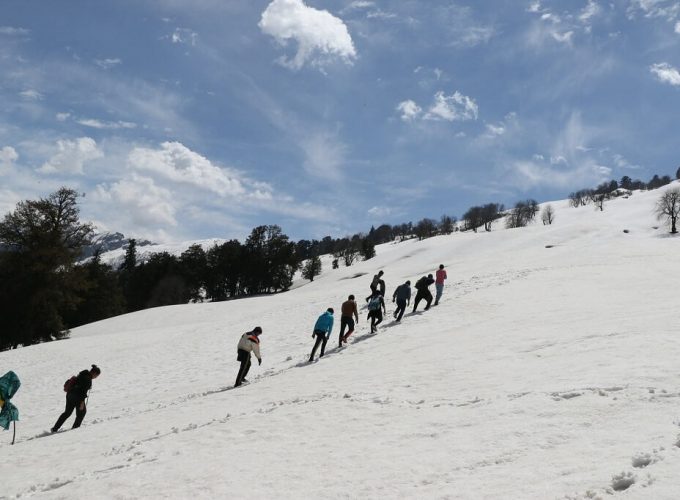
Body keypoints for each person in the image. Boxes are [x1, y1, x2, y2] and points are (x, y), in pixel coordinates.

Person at [51, 364, 101, 432]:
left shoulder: (82, 374)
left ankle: (55, 428)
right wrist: (82, 403)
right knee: (82, 413)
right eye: (97, 376)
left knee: (67, 413)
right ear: (94, 373)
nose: (96, 377)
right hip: (77, 397)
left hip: (70, 395)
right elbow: (83, 391)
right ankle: (75, 430)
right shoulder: (88, 379)